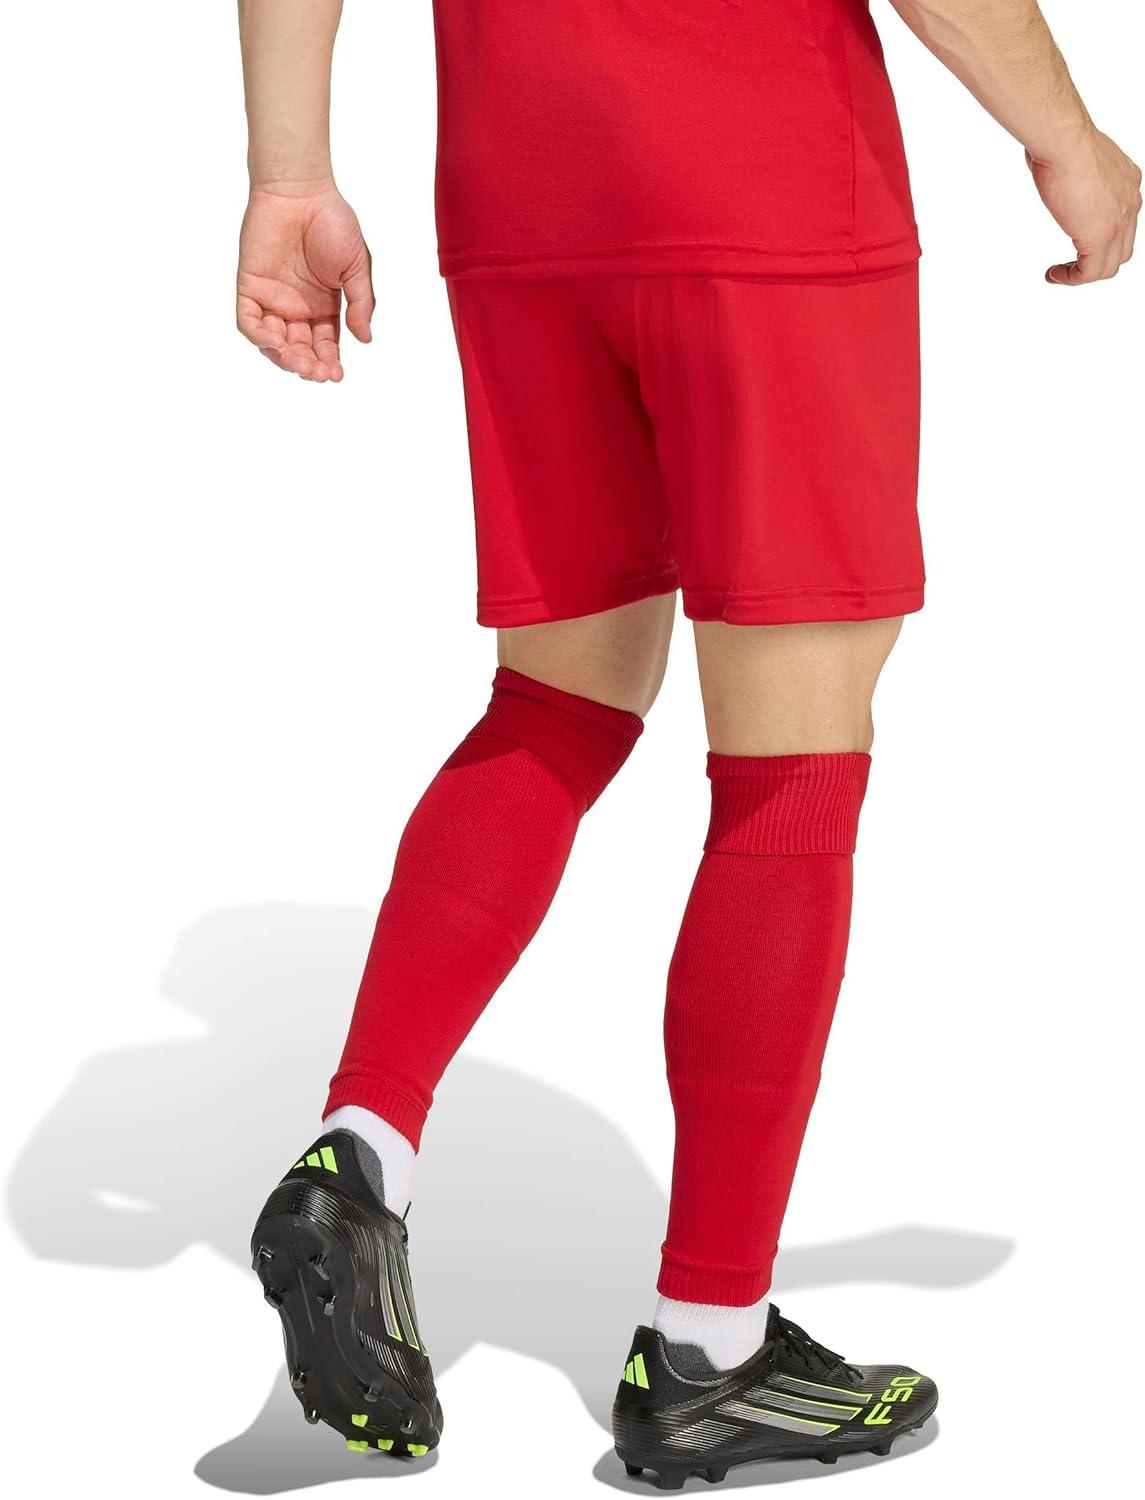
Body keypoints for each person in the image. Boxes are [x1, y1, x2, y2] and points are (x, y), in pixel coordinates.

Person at [239, 0, 1140, 1486]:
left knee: (558, 697)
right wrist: (1069, 139)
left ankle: (363, 1150)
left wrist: (290, 175)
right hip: (762, 186)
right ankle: (708, 1351)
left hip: (521, 203)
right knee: (791, 772)